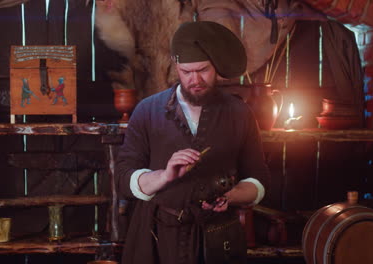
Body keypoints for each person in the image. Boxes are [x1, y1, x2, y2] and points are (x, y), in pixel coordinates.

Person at [115, 21, 270, 264]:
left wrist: (232, 195)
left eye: (203, 70)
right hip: (157, 238)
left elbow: (259, 179)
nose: (195, 79)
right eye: (187, 72)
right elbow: (124, 177)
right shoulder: (147, 111)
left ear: (216, 67)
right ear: (176, 67)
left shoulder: (239, 113)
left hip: (218, 240)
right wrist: (165, 175)